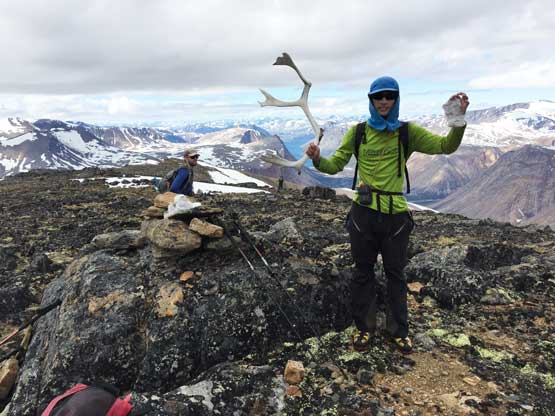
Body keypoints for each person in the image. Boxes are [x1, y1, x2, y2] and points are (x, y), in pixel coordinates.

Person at [306, 76, 469, 353]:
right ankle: (364, 328)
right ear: (371, 100)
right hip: (363, 215)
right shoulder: (358, 133)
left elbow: (446, 146)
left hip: (395, 218)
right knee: (363, 272)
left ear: (396, 99)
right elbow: (335, 166)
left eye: (389, 96)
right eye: (378, 97)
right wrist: (318, 158)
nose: (383, 101)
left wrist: (457, 120)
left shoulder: (407, 132)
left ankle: (399, 331)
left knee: (396, 274)